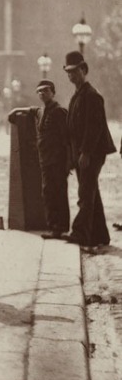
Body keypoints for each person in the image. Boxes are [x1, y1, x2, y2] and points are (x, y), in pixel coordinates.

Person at [62, 51, 116, 249]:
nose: (71, 75)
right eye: (68, 72)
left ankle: (80, 233)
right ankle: (100, 235)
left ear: (84, 70)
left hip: (91, 153)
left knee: (85, 192)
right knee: (91, 190)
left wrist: (85, 152)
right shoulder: (78, 95)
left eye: (74, 71)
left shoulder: (92, 96)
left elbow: (94, 128)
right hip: (82, 152)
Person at [31, 79, 70, 239]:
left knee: (59, 193)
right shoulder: (41, 111)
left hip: (58, 161)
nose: (42, 94)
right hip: (45, 160)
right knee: (48, 193)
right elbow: (33, 110)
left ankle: (60, 227)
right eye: (39, 91)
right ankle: (53, 226)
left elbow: (66, 139)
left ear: (53, 93)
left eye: (45, 91)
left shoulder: (59, 112)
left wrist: (68, 162)